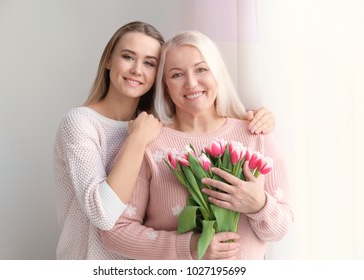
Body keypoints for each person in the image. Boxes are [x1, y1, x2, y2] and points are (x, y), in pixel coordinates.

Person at [54, 21, 276, 260]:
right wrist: (137, 140)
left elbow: (204, 117)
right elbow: (104, 215)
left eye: (149, 62)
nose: (137, 70)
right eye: (128, 57)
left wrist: (257, 118)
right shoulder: (82, 123)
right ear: (108, 60)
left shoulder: (153, 125)